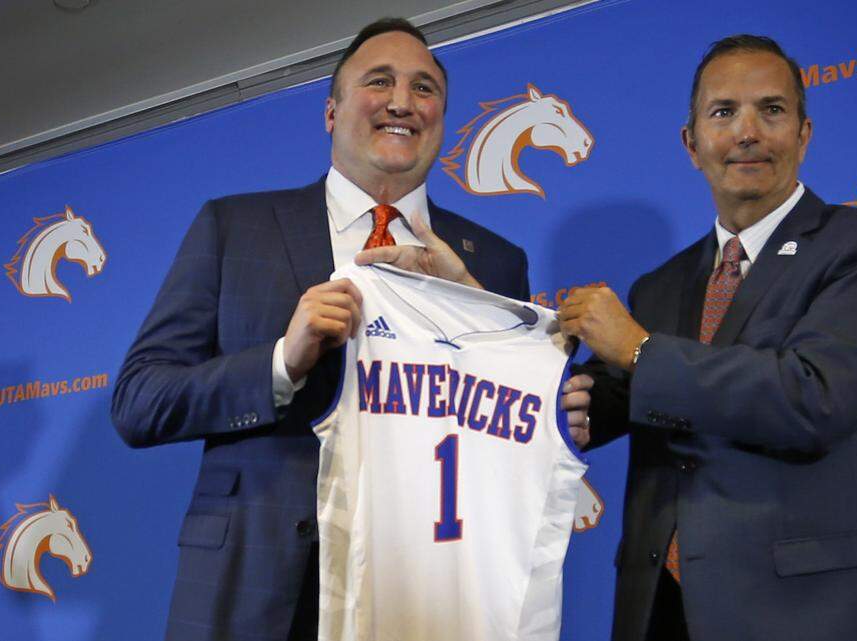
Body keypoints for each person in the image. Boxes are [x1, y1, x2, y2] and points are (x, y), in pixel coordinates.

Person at [112, 17, 578, 641]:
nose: (401, 102)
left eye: (424, 88)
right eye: (378, 81)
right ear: (330, 111)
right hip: (259, 584)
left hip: (422, 587)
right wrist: (282, 363)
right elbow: (140, 401)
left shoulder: (494, 262)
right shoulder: (233, 227)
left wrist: (551, 410)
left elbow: (500, 431)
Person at [558, 35, 857, 641]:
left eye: (772, 110)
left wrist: (637, 349)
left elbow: (816, 397)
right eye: (724, 112)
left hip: (819, 614)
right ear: (692, 144)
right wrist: (478, 314)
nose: (748, 131)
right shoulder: (661, 286)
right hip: (665, 610)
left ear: (804, 134)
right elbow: (610, 398)